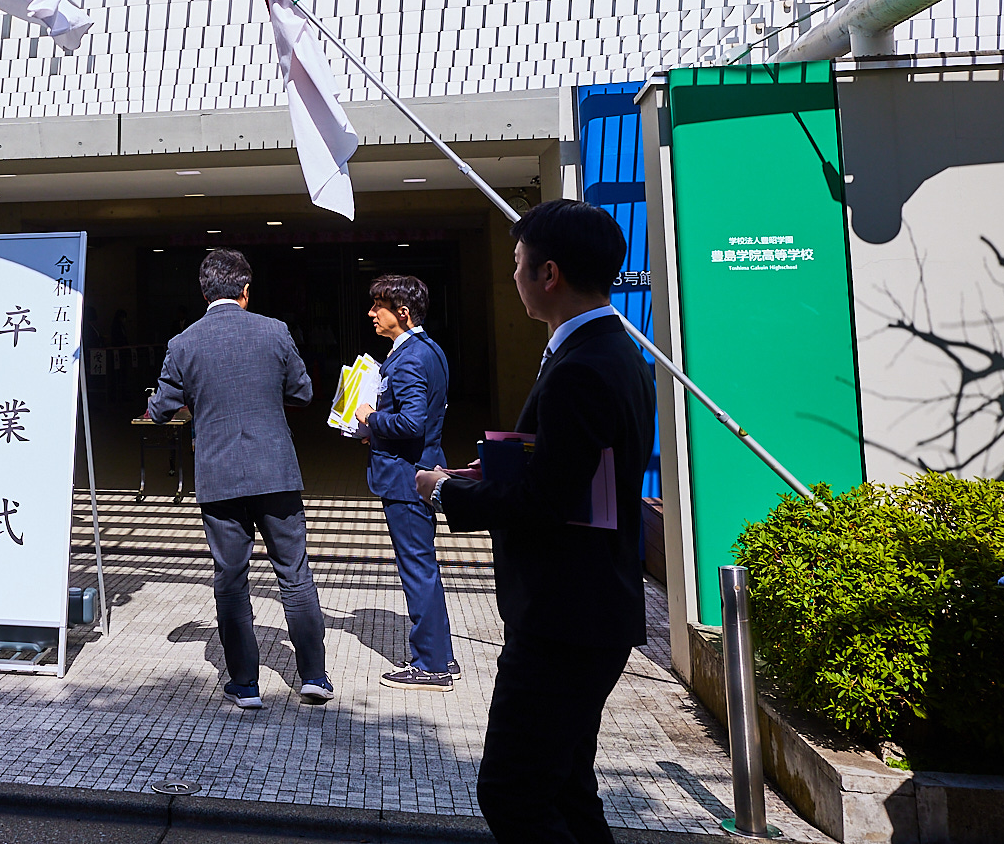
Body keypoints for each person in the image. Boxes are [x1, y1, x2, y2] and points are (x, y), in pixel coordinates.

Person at [417, 199, 654, 844]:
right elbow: (571, 470)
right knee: (568, 790)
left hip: (563, 616)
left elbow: (548, 504)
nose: (514, 278)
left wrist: (446, 494)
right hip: (589, 608)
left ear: (549, 273)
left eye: (519, 265)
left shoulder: (579, 366)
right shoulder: (613, 351)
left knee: (513, 792)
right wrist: (497, 466)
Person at [149, 249, 333, 709]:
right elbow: (303, 392)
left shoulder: (183, 343)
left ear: (204, 291)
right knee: (294, 574)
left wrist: (196, 403)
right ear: (245, 291)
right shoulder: (275, 331)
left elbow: (161, 410)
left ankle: (246, 685)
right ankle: (313, 676)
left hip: (220, 475)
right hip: (276, 471)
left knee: (231, 580)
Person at [353, 273, 457, 692]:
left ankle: (431, 665)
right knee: (423, 567)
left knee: (417, 568)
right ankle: (439, 655)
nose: (371, 313)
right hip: (418, 470)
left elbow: (412, 421)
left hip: (405, 477)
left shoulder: (411, 358)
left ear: (403, 312)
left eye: (378, 306)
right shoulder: (427, 350)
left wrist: (369, 418)